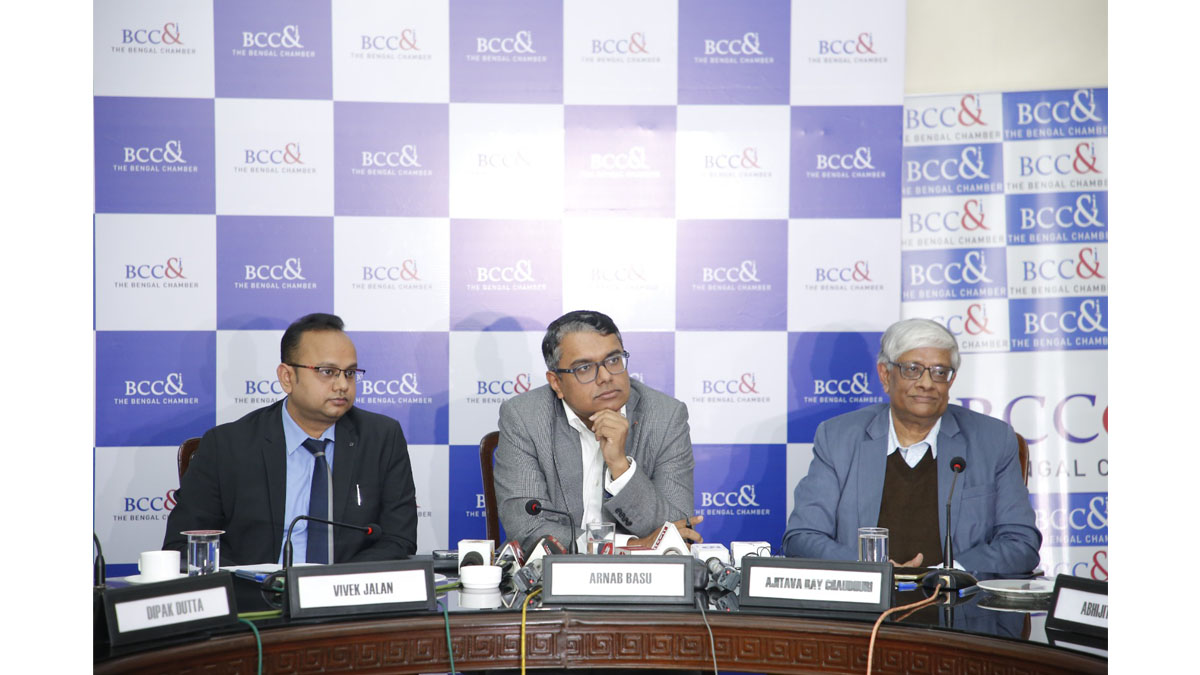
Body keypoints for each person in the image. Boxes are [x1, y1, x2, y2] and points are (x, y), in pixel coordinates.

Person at [781, 318, 1040, 575]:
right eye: (913, 369)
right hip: (866, 610)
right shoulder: (839, 438)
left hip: (959, 606)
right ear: (885, 375)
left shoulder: (992, 441)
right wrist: (871, 570)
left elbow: (1021, 544)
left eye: (939, 372)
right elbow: (802, 538)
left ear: (951, 380)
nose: (927, 383)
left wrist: (950, 572)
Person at [163, 313, 418, 566]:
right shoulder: (227, 446)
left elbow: (398, 538)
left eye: (350, 373)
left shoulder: (382, 438)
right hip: (257, 598)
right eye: (327, 372)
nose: (342, 385)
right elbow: (183, 544)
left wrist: (336, 583)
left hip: (345, 596)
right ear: (287, 377)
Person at [493, 310, 701, 554]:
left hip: (640, 582)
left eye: (613, 360)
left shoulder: (665, 417)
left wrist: (621, 468)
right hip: (551, 580)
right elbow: (526, 527)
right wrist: (626, 546)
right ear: (557, 383)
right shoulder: (524, 417)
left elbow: (677, 531)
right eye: (584, 368)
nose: (605, 377)